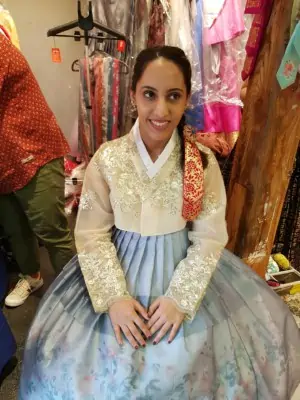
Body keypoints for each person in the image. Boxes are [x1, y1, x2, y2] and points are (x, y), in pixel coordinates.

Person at [19, 46, 300, 399]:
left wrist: (180, 300)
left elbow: (209, 237)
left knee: (189, 366)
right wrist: (114, 299)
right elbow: (91, 233)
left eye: (174, 96)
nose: (161, 110)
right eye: (150, 94)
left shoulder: (201, 161)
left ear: (186, 101)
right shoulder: (109, 159)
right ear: (134, 93)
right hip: (116, 270)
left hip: (182, 271)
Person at [0, 34, 74, 308]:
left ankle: (75, 291)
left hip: (33, 150)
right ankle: (31, 277)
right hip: (4, 160)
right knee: (16, 230)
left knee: (50, 228)